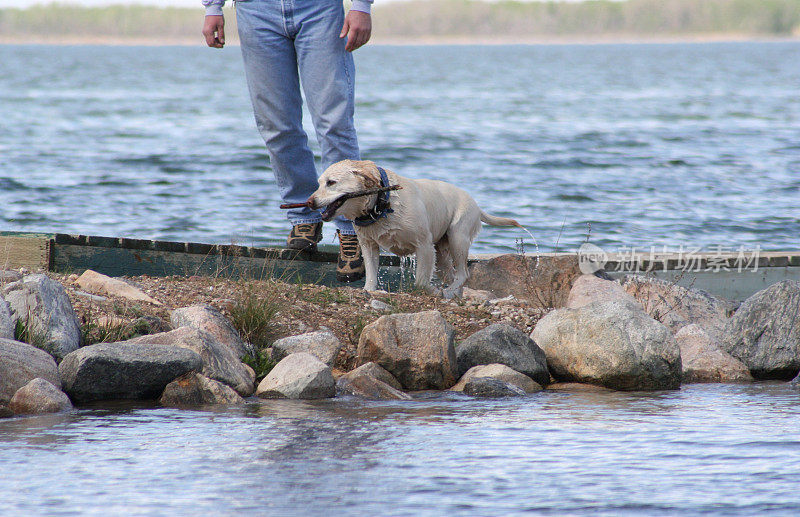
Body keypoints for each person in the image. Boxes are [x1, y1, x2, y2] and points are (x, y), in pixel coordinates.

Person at [201, 0, 373, 282]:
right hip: (256, 12)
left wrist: (362, 4)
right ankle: (304, 216)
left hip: (320, 9)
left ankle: (350, 228)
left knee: (335, 123)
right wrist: (212, 7)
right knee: (276, 125)